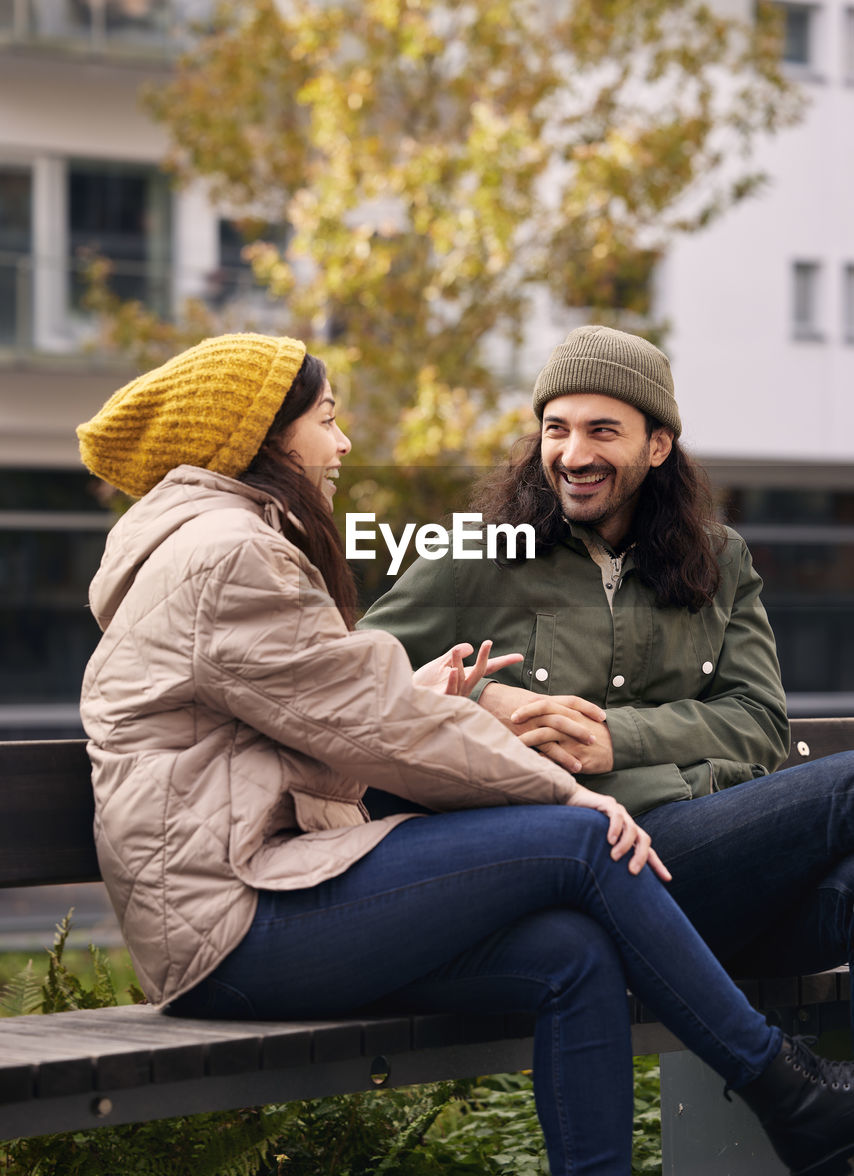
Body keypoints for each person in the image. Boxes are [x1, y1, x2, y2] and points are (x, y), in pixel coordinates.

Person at [76, 332, 854, 1176]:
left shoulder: (225, 545)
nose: (342, 444)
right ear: (262, 437)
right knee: (590, 843)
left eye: (604, 431)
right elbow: (368, 713)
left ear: (658, 447)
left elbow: (336, 718)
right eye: (328, 422)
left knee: (570, 956)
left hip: (265, 887)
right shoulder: (229, 556)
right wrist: (560, 787)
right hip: (232, 917)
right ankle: (793, 1097)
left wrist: (466, 707)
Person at [360, 324, 854, 1021]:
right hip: (585, 865)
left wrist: (622, 739)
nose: (573, 454)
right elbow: (351, 677)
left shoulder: (721, 560)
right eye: (555, 429)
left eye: (602, 431)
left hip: (707, 865)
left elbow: (760, 721)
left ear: (657, 446)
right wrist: (483, 701)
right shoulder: (475, 555)